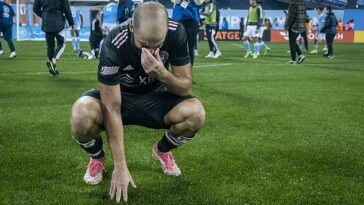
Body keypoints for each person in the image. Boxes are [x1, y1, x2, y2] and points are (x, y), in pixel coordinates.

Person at [70, 2, 205, 203]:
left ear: (167, 28)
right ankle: (97, 157)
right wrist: (120, 165)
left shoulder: (177, 32)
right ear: (132, 27)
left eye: (157, 45)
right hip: (120, 98)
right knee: (81, 114)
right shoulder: (114, 41)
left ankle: (162, 150)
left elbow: (185, 87)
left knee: (196, 114)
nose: (151, 52)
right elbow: (111, 108)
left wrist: (162, 74)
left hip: (156, 97)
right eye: (144, 45)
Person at [33, 0, 75, 76]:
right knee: (62, 44)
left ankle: (53, 67)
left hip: (46, 23)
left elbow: (35, 9)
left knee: (50, 46)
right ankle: (54, 60)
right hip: (58, 22)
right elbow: (67, 10)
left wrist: (44, 15)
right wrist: (71, 24)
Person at [170, 0, 204, 66]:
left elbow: (199, 2)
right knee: (176, 45)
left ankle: (189, 68)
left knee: (191, 46)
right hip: (179, 19)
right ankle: (177, 67)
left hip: (192, 21)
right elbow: (175, 1)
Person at [284, 0, 306, 64]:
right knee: (293, 41)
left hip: (294, 26)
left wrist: (286, 25)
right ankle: (300, 55)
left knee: (292, 43)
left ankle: (293, 60)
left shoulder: (293, 4)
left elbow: (290, 17)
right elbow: (306, 16)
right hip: (301, 26)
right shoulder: (303, 4)